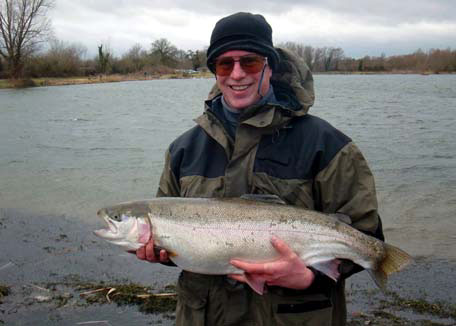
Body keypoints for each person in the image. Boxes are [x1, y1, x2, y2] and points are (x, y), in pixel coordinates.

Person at [135, 12, 384, 326]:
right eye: (225, 64)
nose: (237, 74)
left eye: (249, 62)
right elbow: (187, 248)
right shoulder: (183, 150)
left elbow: (368, 237)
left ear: (270, 65)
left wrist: (308, 278)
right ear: (214, 72)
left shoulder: (327, 145)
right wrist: (164, 254)